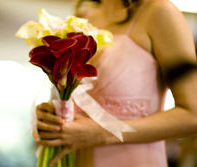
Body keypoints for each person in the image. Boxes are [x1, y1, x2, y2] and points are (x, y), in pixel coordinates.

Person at [34, 0, 197, 166]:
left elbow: (193, 116)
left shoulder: (159, 12)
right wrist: (53, 117)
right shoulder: (82, 17)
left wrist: (103, 133)